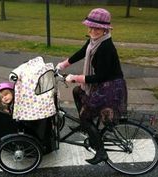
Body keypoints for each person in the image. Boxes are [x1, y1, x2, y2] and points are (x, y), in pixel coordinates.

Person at [56, 8, 128, 165]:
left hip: (110, 87)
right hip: (102, 83)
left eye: (96, 28)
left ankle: (100, 152)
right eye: (90, 26)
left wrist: (76, 77)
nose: (92, 30)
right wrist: (63, 65)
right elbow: (82, 52)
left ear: (105, 29)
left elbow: (100, 76)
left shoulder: (106, 47)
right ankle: (87, 126)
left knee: (85, 117)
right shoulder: (94, 41)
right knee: (77, 92)